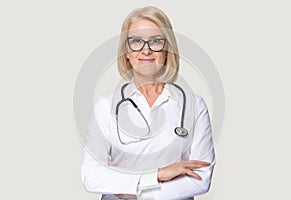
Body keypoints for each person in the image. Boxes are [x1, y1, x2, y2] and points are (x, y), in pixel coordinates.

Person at [81, 6, 215, 200]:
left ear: (167, 50)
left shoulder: (194, 106)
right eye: (136, 41)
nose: (146, 49)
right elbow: (91, 175)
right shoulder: (105, 106)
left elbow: (200, 178)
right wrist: (157, 175)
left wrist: (130, 189)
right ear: (126, 52)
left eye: (155, 41)